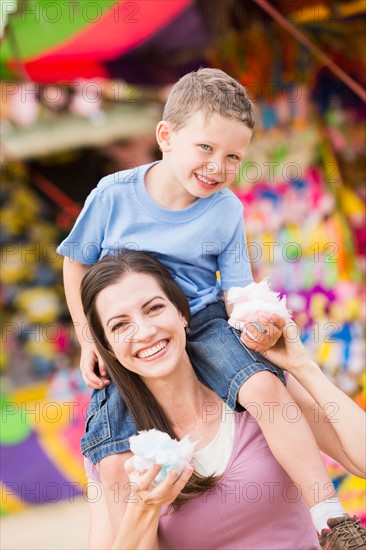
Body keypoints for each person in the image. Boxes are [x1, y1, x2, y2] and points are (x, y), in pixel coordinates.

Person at [58, 68, 355, 533]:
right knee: (110, 442)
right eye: (206, 148)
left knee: (264, 389)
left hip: (204, 319)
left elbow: (237, 289)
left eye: (233, 156)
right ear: (166, 136)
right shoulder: (114, 195)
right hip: (138, 331)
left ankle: (328, 514)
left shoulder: (225, 209)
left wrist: (256, 321)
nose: (218, 166)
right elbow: (75, 262)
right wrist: (87, 338)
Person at [80, 251, 366, 549]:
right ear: (108, 348)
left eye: (154, 308)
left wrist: (302, 366)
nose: (145, 332)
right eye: (120, 325)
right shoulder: (114, 453)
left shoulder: (258, 390)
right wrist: (145, 507)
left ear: (181, 313)